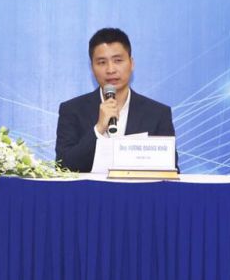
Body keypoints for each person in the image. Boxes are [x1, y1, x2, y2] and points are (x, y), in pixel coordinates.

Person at [55, 28, 176, 172]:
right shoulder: (72, 110)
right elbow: (63, 167)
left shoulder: (158, 114)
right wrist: (98, 129)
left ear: (131, 63)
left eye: (118, 60)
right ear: (92, 68)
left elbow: (171, 169)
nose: (110, 70)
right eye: (102, 62)